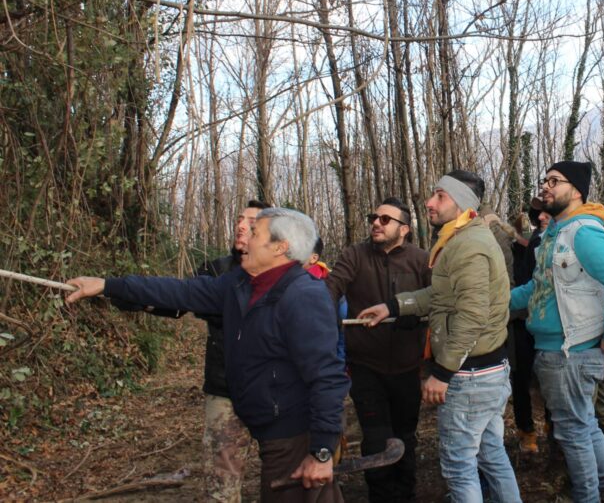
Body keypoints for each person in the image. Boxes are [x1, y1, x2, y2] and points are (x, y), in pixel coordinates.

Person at [67, 208, 349, 503]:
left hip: (295, 434)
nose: (245, 239)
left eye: (255, 233)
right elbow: (180, 292)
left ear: (280, 247)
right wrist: (107, 285)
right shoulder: (240, 284)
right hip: (267, 428)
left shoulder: (304, 295)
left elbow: (327, 377)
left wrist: (321, 451)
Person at [359, 172, 521, 503]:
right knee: (490, 454)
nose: (430, 203)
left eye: (440, 196)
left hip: (471, 375)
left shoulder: (469, 246)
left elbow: (472, 316)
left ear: (461, 202)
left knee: (460, 467)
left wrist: (443, 372)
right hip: (485, 371)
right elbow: (444, 294)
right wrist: (393, 306)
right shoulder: (460, 239)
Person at [107, 199, 268, 503]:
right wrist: (133, 298)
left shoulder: (283, 276)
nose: (240, 226)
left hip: (274, 394)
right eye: (239, 219)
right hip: (224, 390)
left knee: (283, 481)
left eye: (251, 223)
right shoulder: (216, 270)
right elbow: (180, 299)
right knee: (221, 484)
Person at [509, 160, 604, 503]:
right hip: (560, 352)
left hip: (571, 353)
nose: (545, 186)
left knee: (573, 433)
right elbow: (536, 288)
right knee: (585, 425)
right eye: (545, 180)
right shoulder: (554, 234)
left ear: (577, 191)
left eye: (555, 181)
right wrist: (498, 302)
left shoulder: (582, 232)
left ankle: (588, 496)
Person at [326, 199, 431, 503]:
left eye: (385, 219)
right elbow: (331, 289)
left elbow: (438, 298)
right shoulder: (354, 255)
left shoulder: (421, 260)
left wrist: (416, 317)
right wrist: (319, 313)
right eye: (374, 217)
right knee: (375, 439)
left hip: (408, 367)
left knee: (405, 437)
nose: (376, 223)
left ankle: (406, 495)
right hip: (366, 367)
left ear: (404, 229)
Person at [508, 203, 549, 454]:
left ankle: (553, 430)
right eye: (538, 214)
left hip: (546, 322)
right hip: (521, 320)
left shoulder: (557, 241)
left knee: (548, 379)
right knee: (520, 377)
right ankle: (527, 431)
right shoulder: (519, 246)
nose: (541, 218)